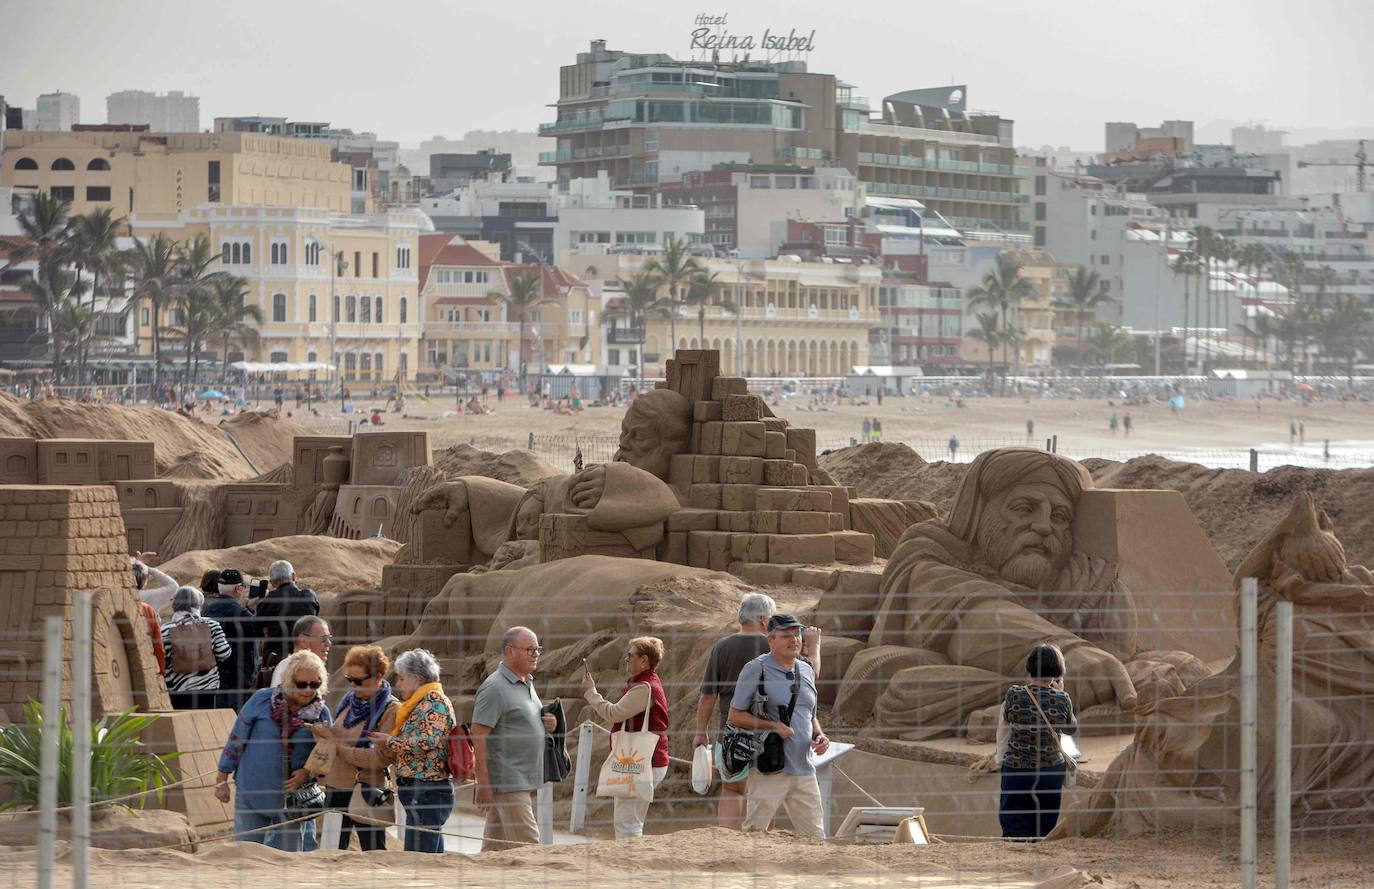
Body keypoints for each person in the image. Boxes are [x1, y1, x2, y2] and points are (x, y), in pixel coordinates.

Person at [214, 650, 331, 851]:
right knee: (245, 856)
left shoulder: (321, 713)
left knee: (288, 863)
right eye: (301, 684)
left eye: (315, 684)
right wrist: (221, 779)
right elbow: (236, 739)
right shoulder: (261, 700)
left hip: (292, 801)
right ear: (288, 680)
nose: (308, 690)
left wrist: (307, 772)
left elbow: (326, 753)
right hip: (252, 792)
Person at [729, 613, 829, 839]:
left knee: (816, 838)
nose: (794, 640)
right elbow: (735, 716)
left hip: (804, 768)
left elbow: (809, 714)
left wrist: (820, 736)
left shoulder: (805, 670)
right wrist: (773, 725)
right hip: (769, 768)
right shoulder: (756, 668)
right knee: (754, 835)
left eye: (797, 635)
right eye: (786, 635)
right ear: (771, 639)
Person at [350, 648, 455, 852]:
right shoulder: (421, 702)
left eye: (401, 678)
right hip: (419, 788)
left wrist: (390, 742)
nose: (397, 685)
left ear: (416, 678)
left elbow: (426, 742)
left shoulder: (434, 701)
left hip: (427, 789)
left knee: (420, 855)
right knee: (429, 855)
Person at [471, 626, 558, 851]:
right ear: (510, 651)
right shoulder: (494, 688)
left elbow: (521, 722)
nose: (536, 654)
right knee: (528, 846)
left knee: (494, 850)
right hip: (508, 780)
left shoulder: (526, 681)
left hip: (522, 778)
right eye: (530, 649)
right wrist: (482, 783)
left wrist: (548, 723)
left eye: (538, 649)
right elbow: (478, 735)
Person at [694, 593, 774, 829]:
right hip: (767, 731)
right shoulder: (772, 645)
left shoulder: (722, 647)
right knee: (765, 794)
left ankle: (728, 841)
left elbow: (708, 697)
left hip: (729, 732)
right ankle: (761, 842)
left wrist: (701, 731)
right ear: (762, 618)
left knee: (732, 790)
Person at [311, 644, 400, 851]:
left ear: (378, 676)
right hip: (336, 786)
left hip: (367, 789)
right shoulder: (349, 701)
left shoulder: (391, 708)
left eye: (359, 681)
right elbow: (338, 739)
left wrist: (337, 745)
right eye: (350, 680)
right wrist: (323, 735)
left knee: (374, 854)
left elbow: (380, 758)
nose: (353, 686)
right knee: (331, 852)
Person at [581, 636, 670, 838]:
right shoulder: (646, 684)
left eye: (630, 655)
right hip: (645, 759)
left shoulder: (644, 688)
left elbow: (614, 713)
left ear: (644, 661)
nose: (625, 659)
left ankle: (631, 866)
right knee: (630, 820)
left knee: (627, 823)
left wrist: (591, 693)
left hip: (644, 760)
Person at [997, 643, 1077, 840]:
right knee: (1043, 830)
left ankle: (1015, 866)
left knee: (1014, 830)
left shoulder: (1014, 694)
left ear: (1030, 666)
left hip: (1018, 771)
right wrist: (1060, 692)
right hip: (1049, 772)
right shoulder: (1062, 699)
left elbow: (1006, 721)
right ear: (1059, 670)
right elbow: (1070, 728)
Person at [160, 586, 232, 710]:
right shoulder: (211, 625)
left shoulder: (165, 630)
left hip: (177, 689)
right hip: (207, 688)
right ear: (199, 604)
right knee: (205, 723)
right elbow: (224, 653)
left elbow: (162, 659)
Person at [201, 568, 258, 711]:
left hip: (214, 677)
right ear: (238, 589)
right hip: (238, 679)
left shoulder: (206, 609)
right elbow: (260, 630)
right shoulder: (239, 612)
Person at [255, 560, 320, 670]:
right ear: (293, 576)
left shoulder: (269, 600)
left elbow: (256, 630)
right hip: (305, 658)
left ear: (272, 583)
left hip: (276, 662)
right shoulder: (309, 596)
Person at [130, 557, 169, 672]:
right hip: (143, 665)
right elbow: (158, 647)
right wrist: (160, 672)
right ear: (144, 582)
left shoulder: (113, 602)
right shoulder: (147, 609)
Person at [270, 616, 332, 688]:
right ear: (303, 641)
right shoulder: (287, 669)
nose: (329, 644)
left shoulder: (312, 667)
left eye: (329, 638)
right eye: (323, 639)